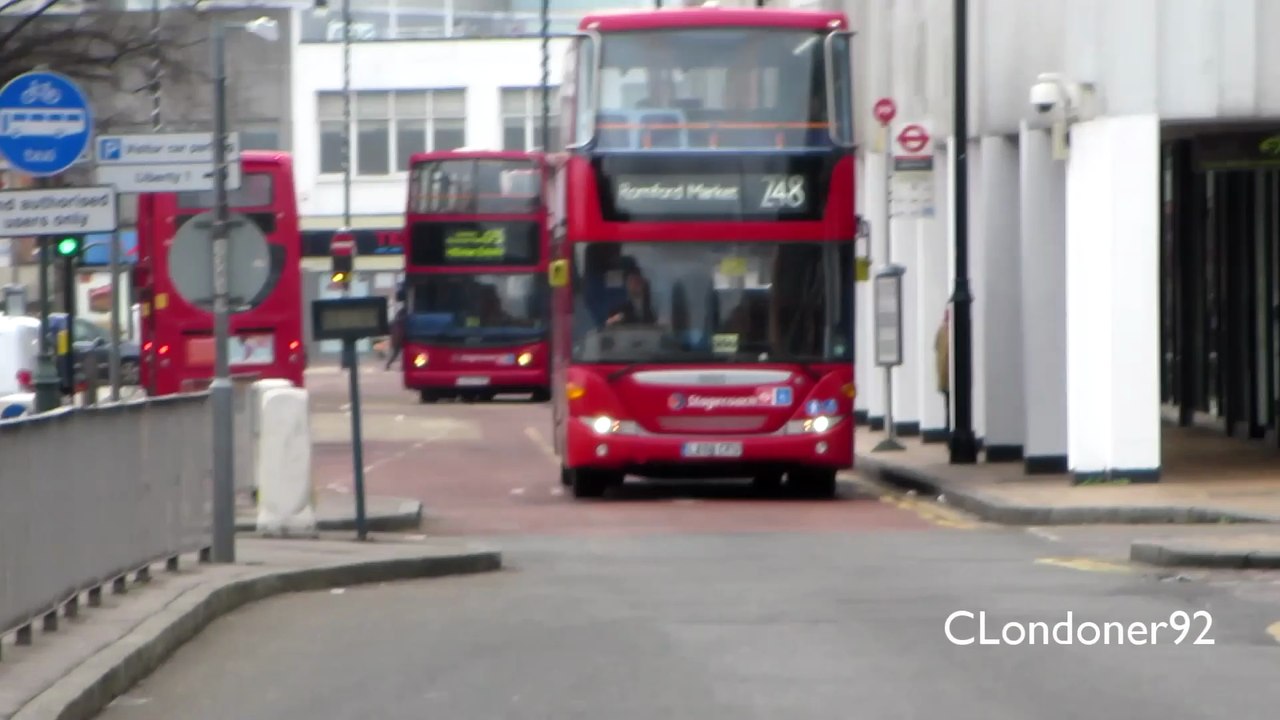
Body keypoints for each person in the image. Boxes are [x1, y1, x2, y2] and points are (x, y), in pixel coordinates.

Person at [934, 307, 950, 432]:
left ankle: (949, 427)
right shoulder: (943, 331)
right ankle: (948, 427)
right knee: (949, 404)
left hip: (946, 374)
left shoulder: (942, 330)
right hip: (946, 374)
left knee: (949, 404)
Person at [385, 303, 406, 370]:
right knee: (401, 354)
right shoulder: (401, 322)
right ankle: (402, 366)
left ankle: (388, 365)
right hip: (400, 340)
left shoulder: (394, 322)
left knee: (396, 354)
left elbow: (389, 330)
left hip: (396, 340)